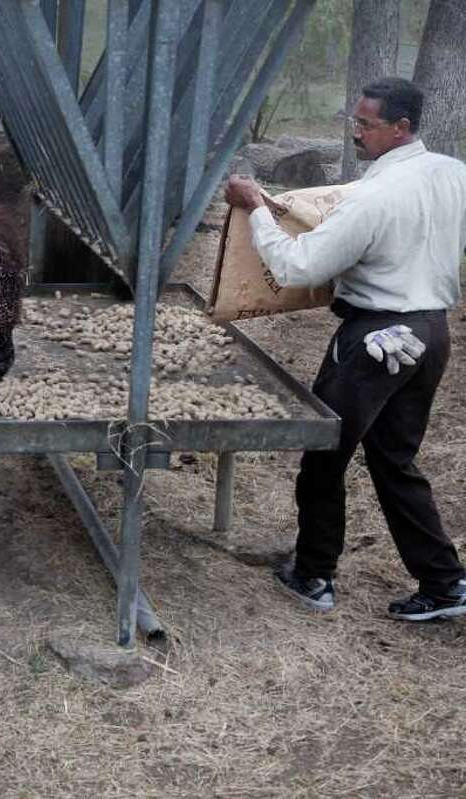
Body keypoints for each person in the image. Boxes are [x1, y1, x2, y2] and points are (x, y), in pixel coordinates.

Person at [224, 77, 466, 621]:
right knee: (395, 459)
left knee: (324, 452)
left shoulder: (373, 197)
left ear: (401, 127)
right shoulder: (454, 173)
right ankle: (445, 583)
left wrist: (256, 208)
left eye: (365, 124)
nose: (356, 132)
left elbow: (298, 267)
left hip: (375, 341)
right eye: (354, 121)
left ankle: (313, 574)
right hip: (430, 332)